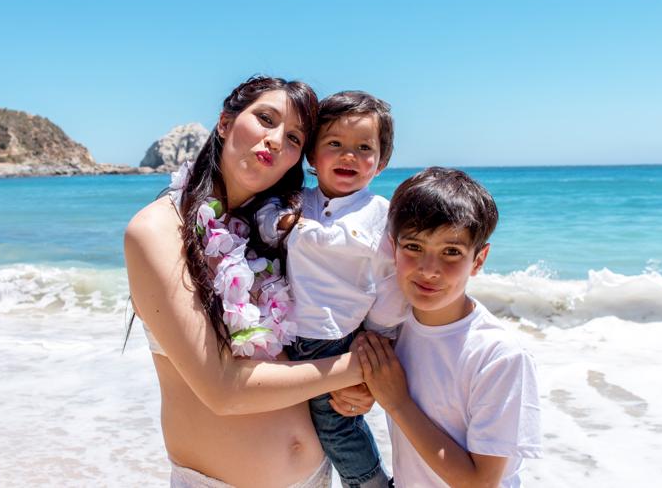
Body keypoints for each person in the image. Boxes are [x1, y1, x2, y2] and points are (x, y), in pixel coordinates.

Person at [124, 76, 372, 488]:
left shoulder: (282, 231)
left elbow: (323, 332)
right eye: (266, 119)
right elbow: (223, 391)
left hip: (317, 476)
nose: (275, 140)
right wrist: (357, 368)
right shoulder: (158, 231)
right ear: (224, 123)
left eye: (293, 138)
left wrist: (357, 390)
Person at [356, 167, 542, 487]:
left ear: (479, 260)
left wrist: (398, 403)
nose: (429, 270)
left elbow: (480, 483)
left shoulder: (498, 356)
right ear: (392, 248)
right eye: (414, 247)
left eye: (451, 252)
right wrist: (357, 395)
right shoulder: (394, 327)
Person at [256, 91, 403, 488]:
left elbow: (391, 283)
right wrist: (281, 223)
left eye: (364, 148)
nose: (348, 156)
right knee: (291, 419)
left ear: (382, 162)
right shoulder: (296, 201)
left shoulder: (379, 214)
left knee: (336, 423)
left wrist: (379, 339)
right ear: (311, 155)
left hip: (334, 338)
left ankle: (371, 483)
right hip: (288, 334)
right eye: (334, 143)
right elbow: (265, 223)